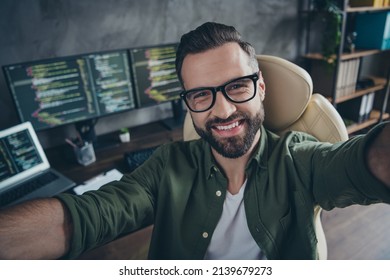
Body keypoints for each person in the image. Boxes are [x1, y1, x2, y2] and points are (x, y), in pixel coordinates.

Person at [0, 22, 389, 260]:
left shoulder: (300, 161)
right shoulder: (168, 166)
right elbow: (84, 218)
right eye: (201, 95)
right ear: (188, 103)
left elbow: (367, 163)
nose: (221, 111)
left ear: (261, 88)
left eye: (237, 86)